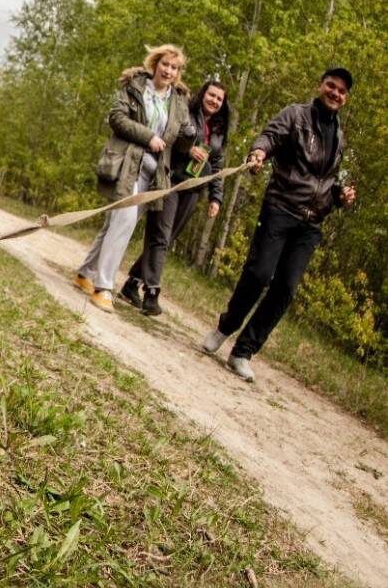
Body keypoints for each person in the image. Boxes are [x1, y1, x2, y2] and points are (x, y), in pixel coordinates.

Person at [201, 67, 357, 382]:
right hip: (281, 208)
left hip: (311, 224)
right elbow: (270, 136)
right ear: (320, 85)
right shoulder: (296, 115)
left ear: (345, 97)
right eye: (331, 86)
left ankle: (243, 352)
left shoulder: (339, 137)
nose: (335, 93)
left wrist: (341, 195)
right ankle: (225, 327)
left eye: (341, 90)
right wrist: (258, 152)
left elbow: (326, 181)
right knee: (259, 274)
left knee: (285, 288)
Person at [73, 44, 196, 312]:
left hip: (154, 174)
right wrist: (148, 136)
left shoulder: (178, 101)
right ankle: (103, 287)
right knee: (124, 223)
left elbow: (180, 143)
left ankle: (84, 273)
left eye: (174, 68)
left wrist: (189, 137)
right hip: (127, 164)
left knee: (114, 224)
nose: (169, 71)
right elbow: (116, 118)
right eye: (165, 64)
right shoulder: (134, 87)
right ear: (155, 63)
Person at [120, 80, 230, 315]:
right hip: (169, 180)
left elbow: (217, 164)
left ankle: (131, 284)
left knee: (166, 239)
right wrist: (187, 148)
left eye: (219, 99)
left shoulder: (219, 129)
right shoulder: (185, 112)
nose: (214, 101)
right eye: (211, 95)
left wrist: (215, 198)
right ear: (203, 94)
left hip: (193, 188)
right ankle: (152, 292)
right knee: (160, 234)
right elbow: (167, 137)